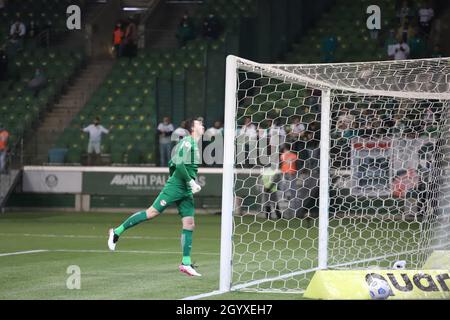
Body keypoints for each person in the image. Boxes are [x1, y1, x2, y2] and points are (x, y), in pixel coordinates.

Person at [108, 117, 205, 277]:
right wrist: (188, 181)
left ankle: (186, 263)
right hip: (177, 186)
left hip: (185, 189)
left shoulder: (193, 144)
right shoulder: (188, 142)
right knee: (151, 213)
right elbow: (178, 164)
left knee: (189, 223)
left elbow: (173, 164)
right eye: (199, 123)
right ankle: (116, 232)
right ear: (192, 128)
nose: (202, 125)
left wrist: (189, 183)